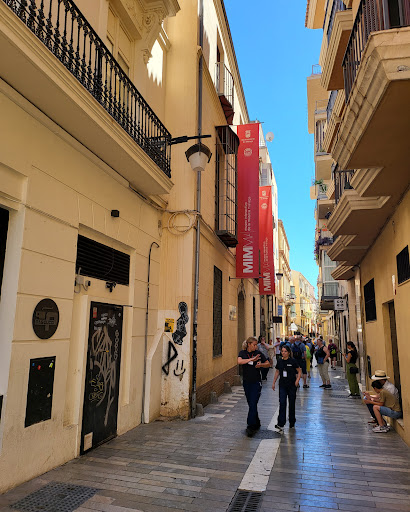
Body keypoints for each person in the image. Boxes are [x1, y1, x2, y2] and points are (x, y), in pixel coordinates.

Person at [238, 337, 270, 436]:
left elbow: (268, 363)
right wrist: (251, 359)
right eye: (254, 345)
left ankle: (250, 426)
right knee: (251, 403)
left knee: (253, 402)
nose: (256, 346)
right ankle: (257, 421)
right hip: (247, 383)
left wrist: (261, 365)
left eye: (256, 345)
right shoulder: (242, 353)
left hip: (256, 382)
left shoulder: (259, 353)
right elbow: (239, 361)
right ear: (249, 344)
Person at [272, 345, 302, 432]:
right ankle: (281, 423)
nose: (283, 353)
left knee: (291, 404)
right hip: (282, 385)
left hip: (292, 386)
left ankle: (292, 421)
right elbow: (277, 371)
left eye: (285, 351)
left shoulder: (293, 361)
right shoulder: (280, 361)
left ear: (288, 352)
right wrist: (273, 382)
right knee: (282, 403)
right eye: (282, 351)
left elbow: (299, 371)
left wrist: (297, 380)